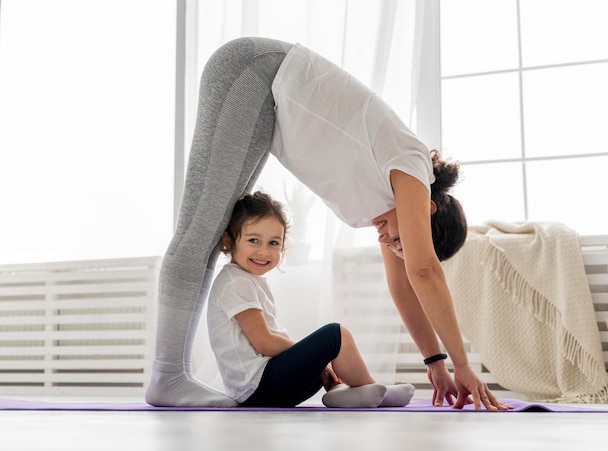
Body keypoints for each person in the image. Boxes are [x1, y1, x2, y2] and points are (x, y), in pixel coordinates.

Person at [145, 36, 512, 410]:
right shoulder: (411, 166)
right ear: (427, 210)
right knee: (200, 230)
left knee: (208, 231)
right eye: (399, 240)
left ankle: (172, 375)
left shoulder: (386, 201)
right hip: (256, 71)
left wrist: (435, 364)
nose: (387, 241)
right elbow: (423, 271)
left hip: (267, 98)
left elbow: (402, 286)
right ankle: (168, 374)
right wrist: (462, 364)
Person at [207, 191, 415, 408]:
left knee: (319, 361)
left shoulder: (245, 280)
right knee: (335, 334)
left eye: (273, 243)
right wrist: (309, 352)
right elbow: (264, 342)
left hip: (260, 388)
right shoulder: (235, 282)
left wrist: (314, 360)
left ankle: (338, 391)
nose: (264, 251)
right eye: (253, 240)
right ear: (229, 240)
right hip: (257, 387)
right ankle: (372, 388)